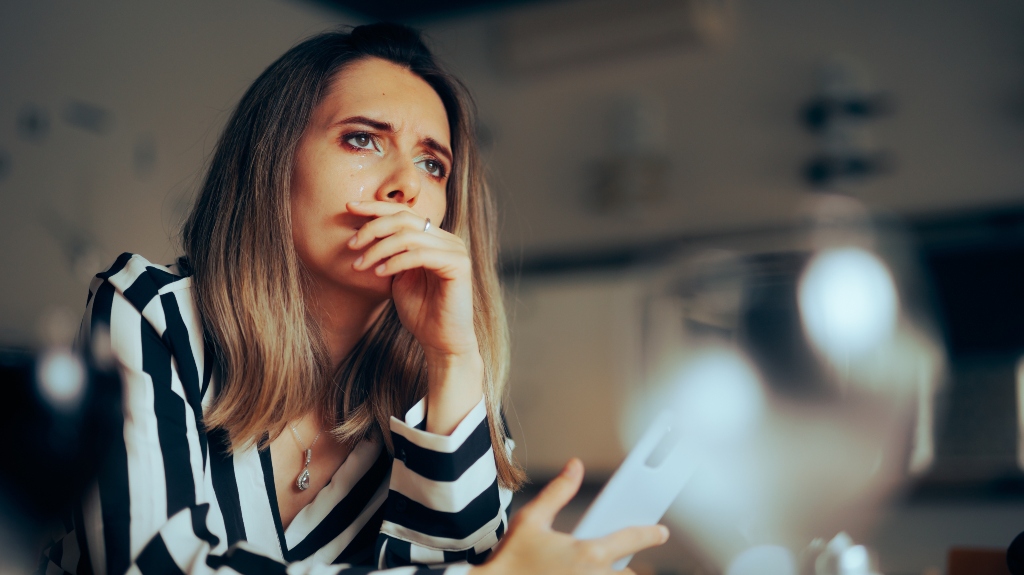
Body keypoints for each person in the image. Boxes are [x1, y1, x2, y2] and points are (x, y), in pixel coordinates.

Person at [37, 23, 668, 575]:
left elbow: (451, 559)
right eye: (363, 139)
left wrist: (454, 361)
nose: (405, 188)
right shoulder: (151, 312)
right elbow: (146, 565)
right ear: (274, 161)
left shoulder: (452, 398)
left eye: (433, 165)